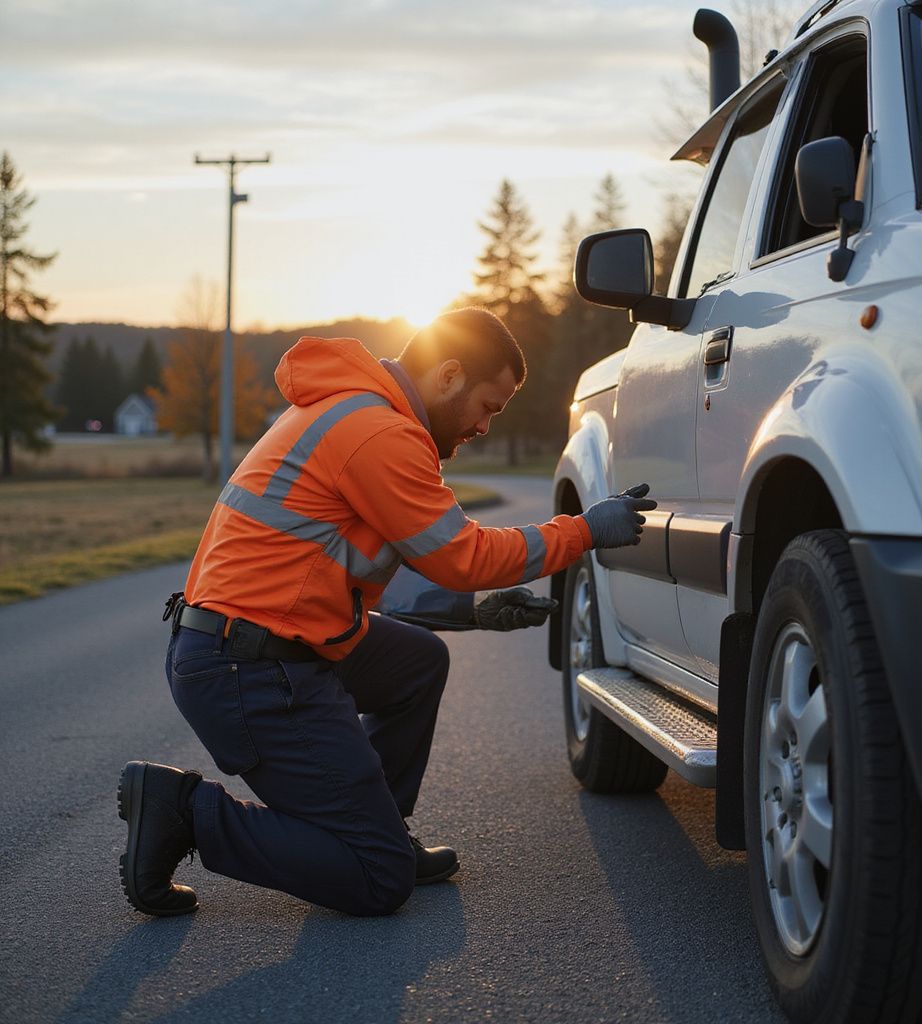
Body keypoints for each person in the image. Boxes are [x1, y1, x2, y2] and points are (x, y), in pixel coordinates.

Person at [118, 307, 656, 918]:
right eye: (489, 406)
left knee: (415, 661)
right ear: (448, 375)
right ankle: (185, 811)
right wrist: (582, 531)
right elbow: (462, 555)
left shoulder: (353, 413)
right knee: (378, 879)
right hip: (249, 671)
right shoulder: (379, 433)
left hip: (255, 646)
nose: (484, 425)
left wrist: (474, 611)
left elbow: (353, 572)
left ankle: (373, 821)